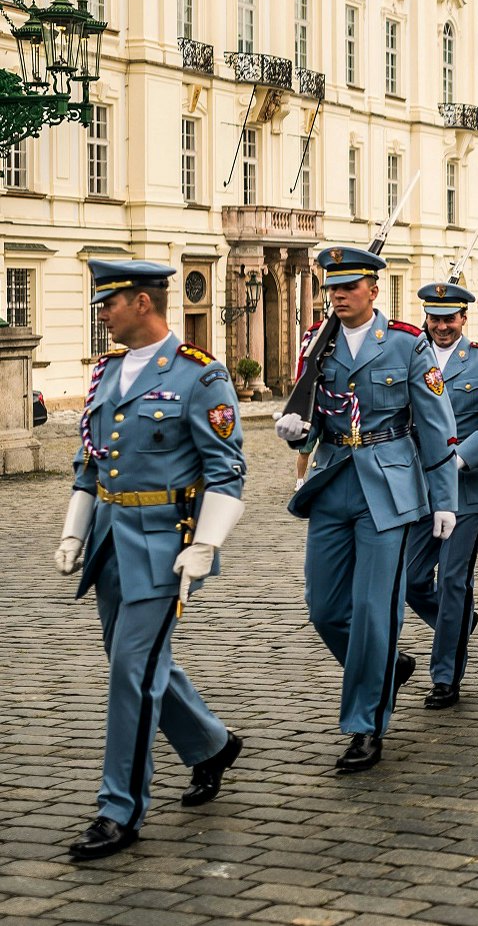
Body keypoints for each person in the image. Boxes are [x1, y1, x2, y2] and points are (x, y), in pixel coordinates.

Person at [57, 260, 247, 861]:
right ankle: (210, 743)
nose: (102, 313)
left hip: (166, 544)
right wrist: (72, 534)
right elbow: (90, 464)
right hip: (112, 537)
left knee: (130, 673)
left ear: (142, 302)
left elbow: (227, 471)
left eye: (109, 302)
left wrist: (207, 543)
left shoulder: (200, 376)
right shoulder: (106, 374)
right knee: (134, 662)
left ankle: (120, 808)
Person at [277, 245, 457, 774]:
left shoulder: (405, 344)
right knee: (326, 607)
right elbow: (309, 413)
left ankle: (365, 724)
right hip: (334, 480)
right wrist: (295, 436)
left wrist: (443, 498)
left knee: (376, 611)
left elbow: (434, 422)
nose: (338, 295)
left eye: (349, 287)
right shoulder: (317, 341)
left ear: (373, 291)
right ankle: (388, 667)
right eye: (332, 287)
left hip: (390, 484)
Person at [403, 280, 478, 711]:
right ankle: (460, 621)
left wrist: (460, 459)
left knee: (452, 579)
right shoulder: (411, 355)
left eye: (450, 319)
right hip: (419, 487)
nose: (442, 326)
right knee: (412, 579)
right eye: (435, 318)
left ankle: (445, 675)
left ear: (464, 319)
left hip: (467, 487)